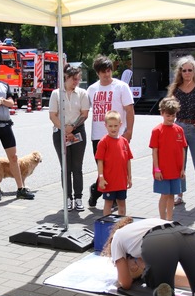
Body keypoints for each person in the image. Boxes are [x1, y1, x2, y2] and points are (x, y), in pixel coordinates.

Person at [0, 57, 34, 202]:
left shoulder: (4, 85)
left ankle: (20, 188)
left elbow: (11, 103)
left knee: (13, 157)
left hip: (5, 125)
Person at [86, 55, 135, 208]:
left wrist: (129, 131)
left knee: (115, 169)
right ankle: (99, 192)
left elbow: (129, 109)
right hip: (98, 137)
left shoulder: (121, 87)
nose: (106, 75)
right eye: (103, 72)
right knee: (104, 169)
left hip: (117, 136)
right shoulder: (92, 89)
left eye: (108, 71)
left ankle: (103, 194)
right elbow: (83, 111)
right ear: (97, 73)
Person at [168, 55, 195, 209]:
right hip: (179, 128)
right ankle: (179, 195)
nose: (187, 73)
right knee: (180, 164)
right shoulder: (175, 88)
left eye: (190, 70)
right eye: (184, 70)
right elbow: (168, 108)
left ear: (194, 71)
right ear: (180, 72)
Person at [49, 63, 90, 211]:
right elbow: (52, 115)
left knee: (77, 167)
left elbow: (84, 114)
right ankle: (67, 197)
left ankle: (78, 197)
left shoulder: (82, 93)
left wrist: (72, 128)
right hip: (60, 132)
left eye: (78, 79)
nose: (76, 82)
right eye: (74, 79)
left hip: (78, 131)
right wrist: (64, 129)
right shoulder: (56, 94)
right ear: (66, 78)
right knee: (65, 167)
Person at [150, 97, 187, 221]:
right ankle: (161, 219)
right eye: (168, 116)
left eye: (173, 116)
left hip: (175, 170)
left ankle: (169, 219)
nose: (171, 119)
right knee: (164, 195)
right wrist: (156, 169)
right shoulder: (157, 130)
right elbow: (154, 151)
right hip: (162, 170)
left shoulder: (179, 130)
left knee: (172, 195)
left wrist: (182, 169)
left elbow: (183, 150)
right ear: (162, 113)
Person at [96, 111, 133, 216]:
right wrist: (101, 178)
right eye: (110, 126)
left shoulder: (124, 141)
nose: (113, 128)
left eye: (116, 126)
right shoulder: (103, 142)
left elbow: (128, 160)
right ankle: (106, 225)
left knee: (122, 203)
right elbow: (100, 161)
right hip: (109, 181)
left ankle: (122, 224)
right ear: (106, 126)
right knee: (108, 203)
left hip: (121, 180)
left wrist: (129, 177)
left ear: (120, 125)